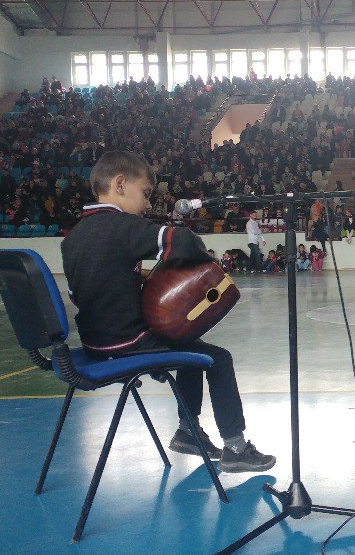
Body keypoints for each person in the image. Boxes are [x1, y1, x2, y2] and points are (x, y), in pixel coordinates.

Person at [60, 151, 276, 473]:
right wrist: (207, 261)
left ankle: (188, 433)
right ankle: (236, 447)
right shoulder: (122, 226)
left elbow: (82, 294)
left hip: (96, 345)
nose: (148, 205)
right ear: (120, 184)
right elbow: (181, 240)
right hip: (129, 344)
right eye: (145, 193)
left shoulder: (73, 239)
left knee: (188, 339)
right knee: (220, 359)